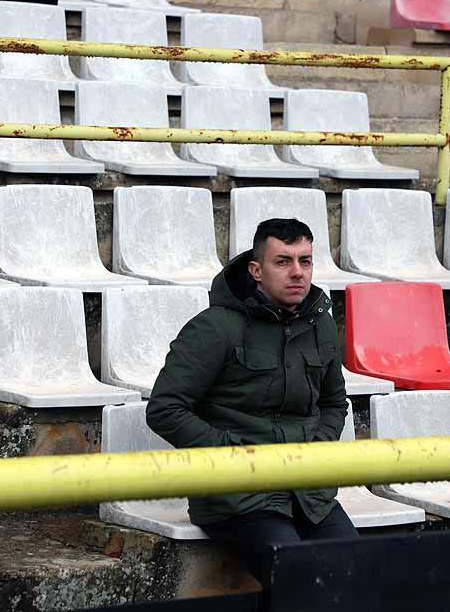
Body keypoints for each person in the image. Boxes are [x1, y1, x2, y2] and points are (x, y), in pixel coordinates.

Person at [146, 217, 358, 583]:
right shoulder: (215, 327)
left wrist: (316, 451)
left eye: (305, 261)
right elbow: (165, 409)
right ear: (256, 270)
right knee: (302, 580)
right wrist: (235, 454)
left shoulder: (319, 322)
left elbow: (334, 403)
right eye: (283, 261)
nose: (297, 273)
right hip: (240, 497)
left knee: (363, 573)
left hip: (309, 493)